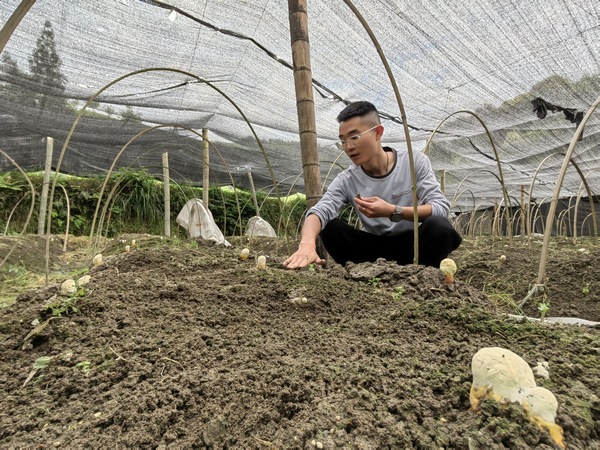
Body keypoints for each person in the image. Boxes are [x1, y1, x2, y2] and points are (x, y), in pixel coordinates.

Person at [283, 101, 461, 269]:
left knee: (439, 226)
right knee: (330, 226)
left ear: (378, 133)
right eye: (343, 140)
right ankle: (363, 275)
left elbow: (441, 208)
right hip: (371, 254)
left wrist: (393, 211)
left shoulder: (414, 162)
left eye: (354, 137)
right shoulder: (347, 179)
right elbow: (319, 211)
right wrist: (306, 245)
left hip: (414, 246)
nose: (348, 147)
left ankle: (423, 276)